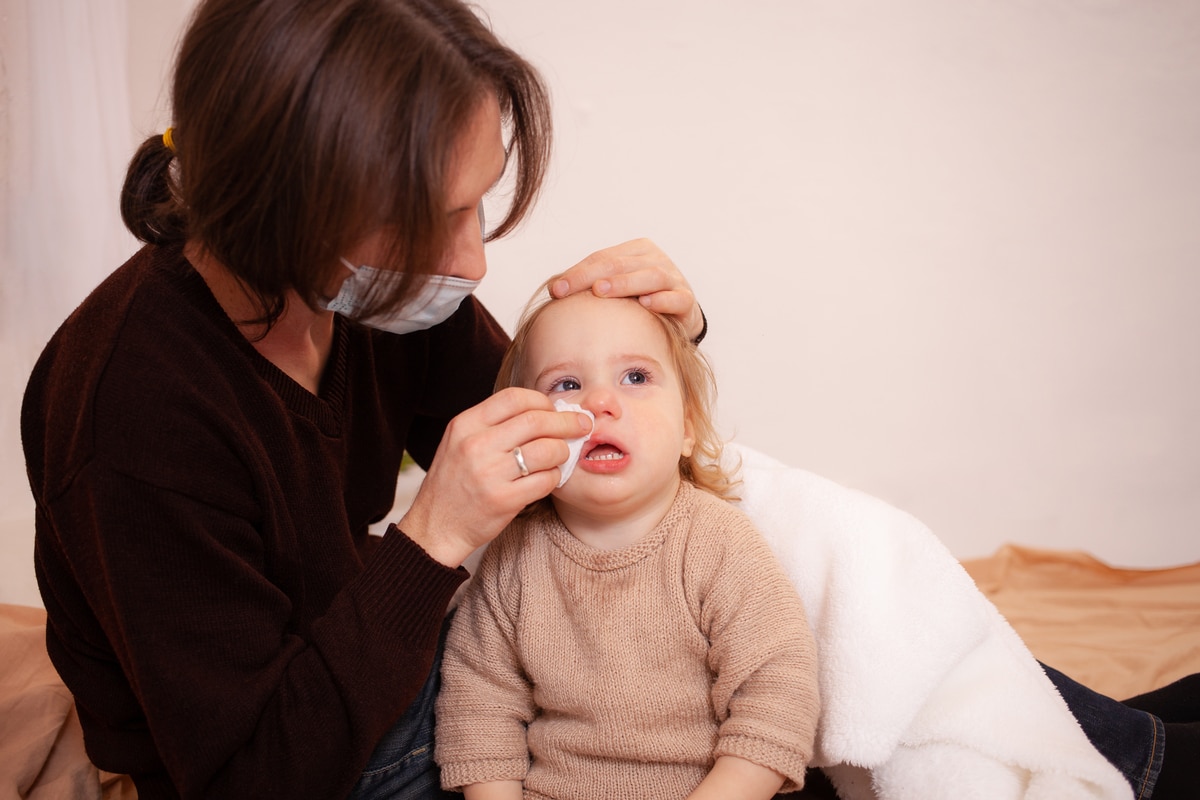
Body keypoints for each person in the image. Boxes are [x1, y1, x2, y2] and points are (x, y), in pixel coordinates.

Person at [21, 1, 703, 798]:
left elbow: (557, 439)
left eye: (477, 205)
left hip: (375, 662)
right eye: (434, 221)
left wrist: (664, 342)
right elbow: (256, 774)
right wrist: (435, 534)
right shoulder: (133, 421)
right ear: (290, 208)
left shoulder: (364, 295)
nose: (473, 263)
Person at [434, 287, 820, 799]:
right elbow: (478, 703)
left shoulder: (718, 544)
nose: (599, 402)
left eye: (635, 378)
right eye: (566, 384)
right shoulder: (515, 559)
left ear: (689, 427)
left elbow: (778, 688)